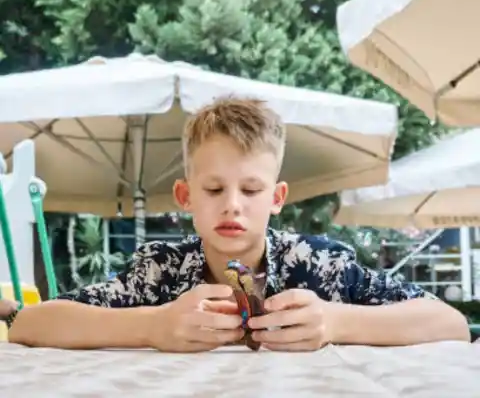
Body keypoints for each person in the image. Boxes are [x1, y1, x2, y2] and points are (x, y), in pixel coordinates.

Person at [7, 97, 469, 351]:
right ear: (185, 197)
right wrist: (152, 326)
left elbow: (449, 323)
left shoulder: (320, 263)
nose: (232, 206)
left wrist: (335, 319)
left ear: (277, 198)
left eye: (250, 191)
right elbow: (33, 325)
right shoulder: (160, 269)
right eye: (213, 190)